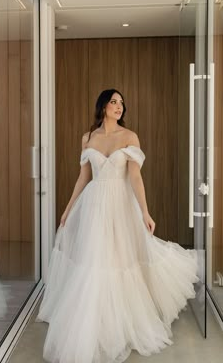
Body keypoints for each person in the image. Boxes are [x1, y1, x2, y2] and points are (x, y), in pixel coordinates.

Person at [37, 89, 198, 363]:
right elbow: (83, 177)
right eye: (114, 101)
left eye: (122, 102)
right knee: (95, 260)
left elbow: (135, 177)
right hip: (94, 206)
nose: (119, 106)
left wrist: (145, 212)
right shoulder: (88, 138)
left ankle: (123, 320)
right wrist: (68, 208)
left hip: (122, 205)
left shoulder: (129, 136)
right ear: (102, 106)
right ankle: (95, 321)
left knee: (121, 260)